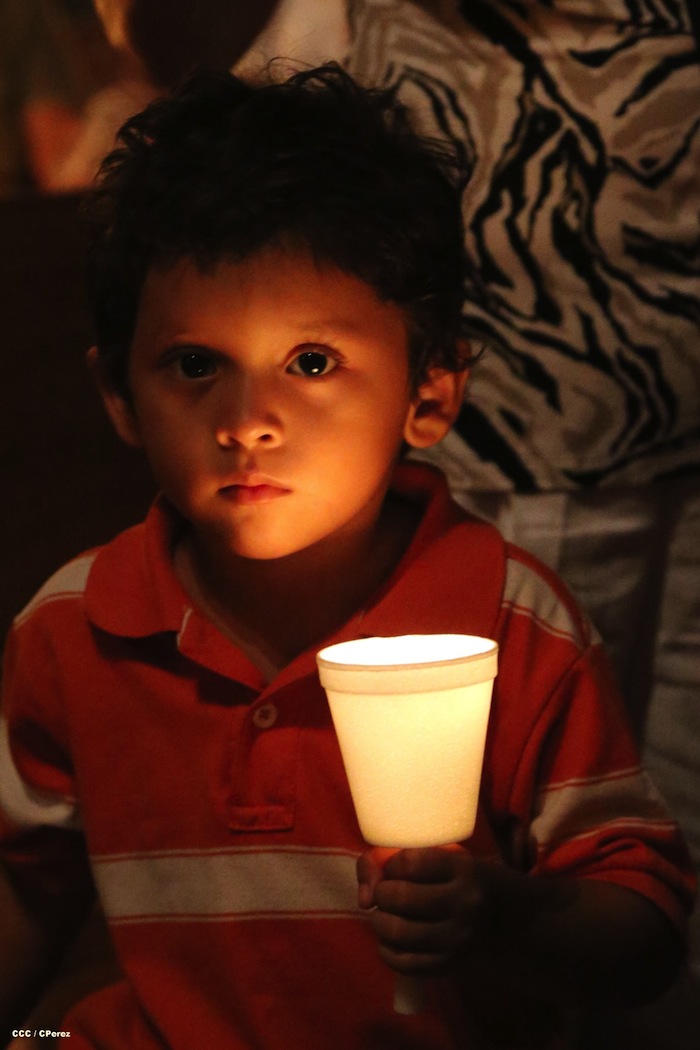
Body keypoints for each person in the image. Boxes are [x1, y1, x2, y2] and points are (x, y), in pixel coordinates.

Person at [0, 65, 694, 1049]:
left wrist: (499, 914)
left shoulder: (507, 626)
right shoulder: (75, 629)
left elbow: (646, 937)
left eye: (311, 364)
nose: (247, 426)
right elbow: (25, 894)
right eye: (196, 365)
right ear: (117, 393)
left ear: (432, 392)